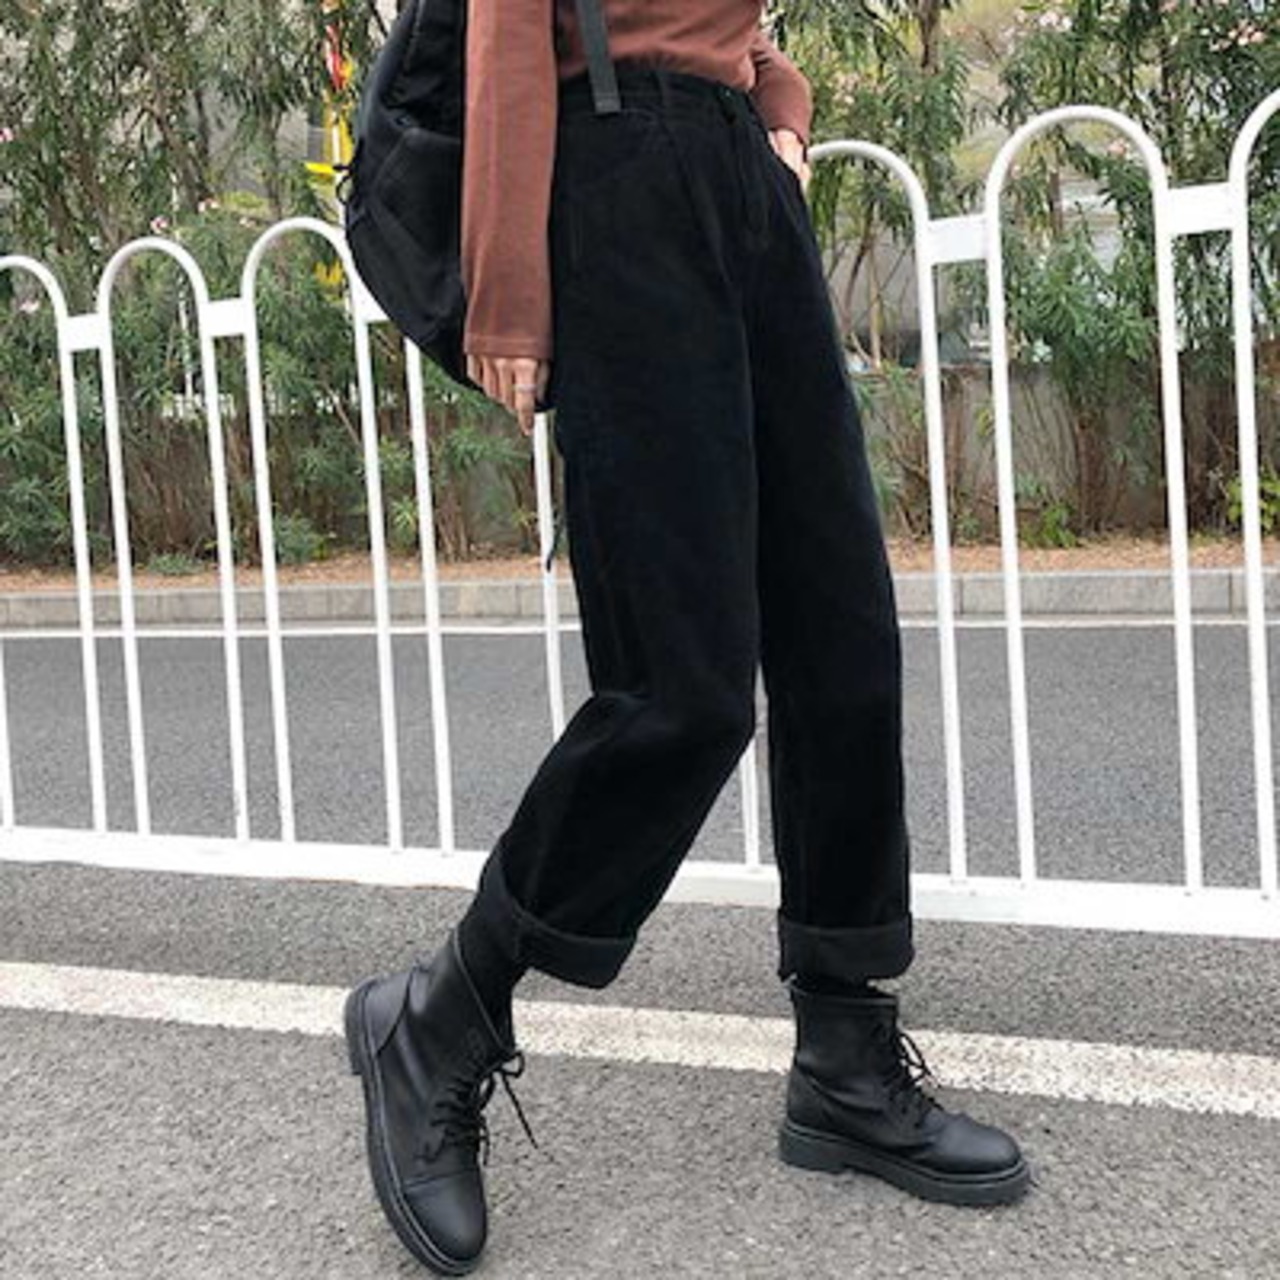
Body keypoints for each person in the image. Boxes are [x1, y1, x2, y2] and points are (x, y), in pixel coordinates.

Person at [343, 2, 1031, 1274]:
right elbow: (509, 24)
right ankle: (440, 1014)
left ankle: (842, 1054)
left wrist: (777, 110)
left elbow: (737, 27)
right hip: (615, 178)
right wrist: (506, 285)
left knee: (839, 637)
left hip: (736, 177)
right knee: (682, 684)